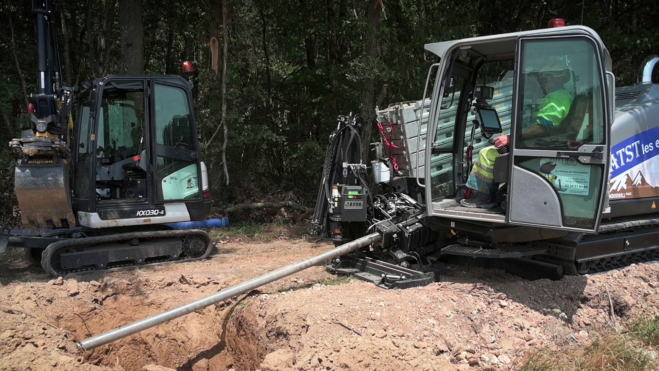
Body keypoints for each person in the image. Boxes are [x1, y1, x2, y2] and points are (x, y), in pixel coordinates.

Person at [461, 60, 574, 209]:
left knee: (486, 153)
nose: (541, 83)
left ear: (557, 78)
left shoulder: (557, 97)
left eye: (544, 79)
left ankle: (483, 198)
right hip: (546, 144)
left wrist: (510, 139)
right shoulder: (564, 96)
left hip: (543, 147)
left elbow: (543, 128)